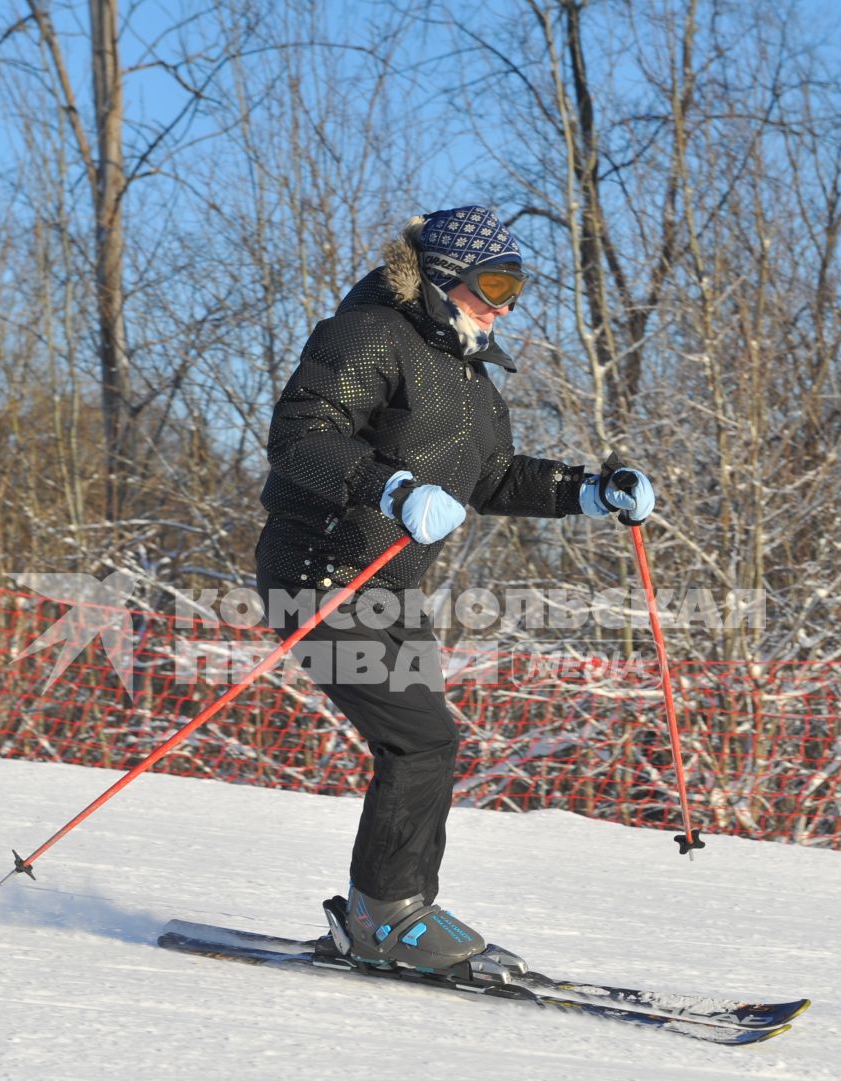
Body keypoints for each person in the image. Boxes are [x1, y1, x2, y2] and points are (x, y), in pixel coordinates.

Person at [255, 205, 655, 979]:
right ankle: (384, 915)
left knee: (427, 743)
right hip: (317, 573)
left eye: (517, 286)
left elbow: (495, 477)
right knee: (421, 738)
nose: (505, 304)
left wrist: (591, 492)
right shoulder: (366, 333)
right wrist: (392, 487)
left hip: (388, 587)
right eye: (493, 284)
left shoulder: (468, 378)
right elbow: (300, 437)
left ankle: (396, 909)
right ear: (443, 279)